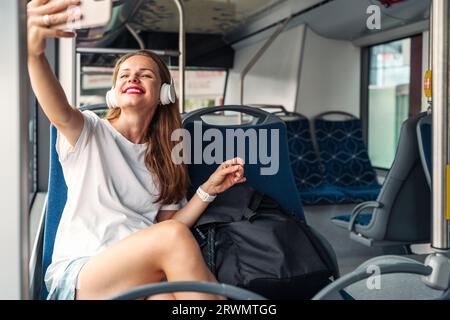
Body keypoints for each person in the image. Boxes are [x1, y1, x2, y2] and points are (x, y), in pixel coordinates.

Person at [27, 0, 246, 300]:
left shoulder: (166, 156)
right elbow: (58, 111)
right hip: (82, 276)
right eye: (125, 74)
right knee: (175, 244)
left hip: (142, 273)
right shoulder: (89, 131)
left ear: (164, 94)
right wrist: (34, 54)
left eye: (145, 74)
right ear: (114, 92)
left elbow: (169, 226)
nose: (133, 78)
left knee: (167, 297)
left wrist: (208, 189)